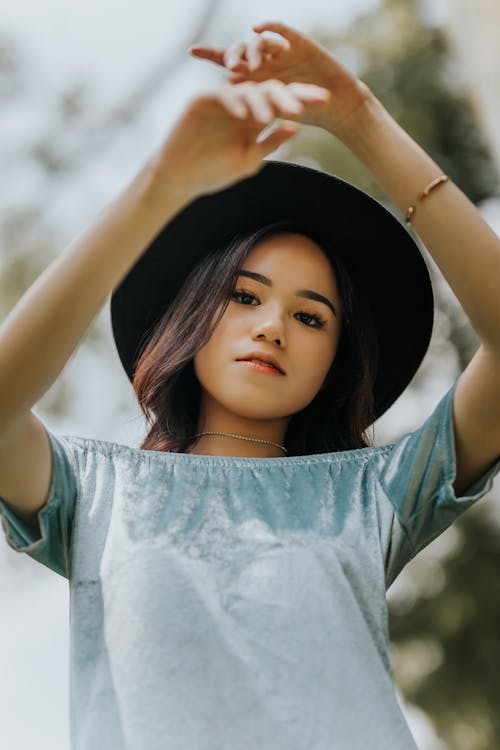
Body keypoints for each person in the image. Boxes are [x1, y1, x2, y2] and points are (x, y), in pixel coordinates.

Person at [0, 18, 499, 750]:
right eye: (243, 296)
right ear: (194, 312)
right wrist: (158, 191)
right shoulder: (91, 492)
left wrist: (360, 120)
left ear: (337, 361)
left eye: (311, 316)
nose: (273, 327)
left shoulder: (376, 494)